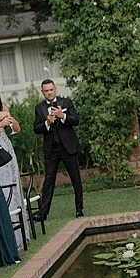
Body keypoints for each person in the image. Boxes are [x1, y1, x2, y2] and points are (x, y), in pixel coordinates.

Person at [33, 80, 83, 220]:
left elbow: (76, 120)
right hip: (51, 149)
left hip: (68, 147)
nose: (49, 92)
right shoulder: (39, 108)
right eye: (46, 90)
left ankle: (79, 209)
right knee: (48, 181)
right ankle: (43, 213)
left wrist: (63, 116)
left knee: (76, 179)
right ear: (42, 92)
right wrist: (47, 123)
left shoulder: (66, 102)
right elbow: (36, 129)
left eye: (51, 89)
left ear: (55, 89)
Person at [0, 92, 29, 247]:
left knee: (13, 188)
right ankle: (7, 239)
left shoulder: (2, 107)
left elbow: (16, 129)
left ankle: (20, 236)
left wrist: (12, 121)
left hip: (6, 149)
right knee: (3, 191)